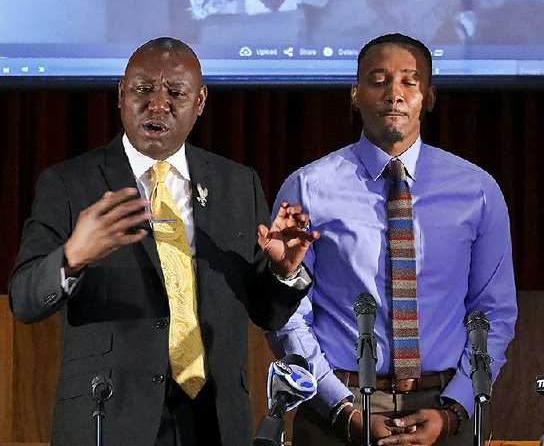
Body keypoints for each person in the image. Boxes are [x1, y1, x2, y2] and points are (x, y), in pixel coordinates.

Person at [9, 37, 318, 446]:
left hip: (215, 420)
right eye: (143, 90)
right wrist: (72, 257)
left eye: (175, 92)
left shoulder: (237, 184)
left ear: (200, 101)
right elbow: (24, 300)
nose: (158, 104)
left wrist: (283, 271)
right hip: (110, 415)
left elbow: (267, 314)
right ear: (121, 93)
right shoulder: (69, 183)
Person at [266, 33, 517, 445]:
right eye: (379, 80)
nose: (394, 94)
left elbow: (494, 313)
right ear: (355, 94)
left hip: (445, 409)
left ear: (428, 97)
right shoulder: (309, 187)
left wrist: (454, 410)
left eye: (409, 81)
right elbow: (289, 316)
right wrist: (341, 409)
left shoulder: (477, 190)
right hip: (336, 410)